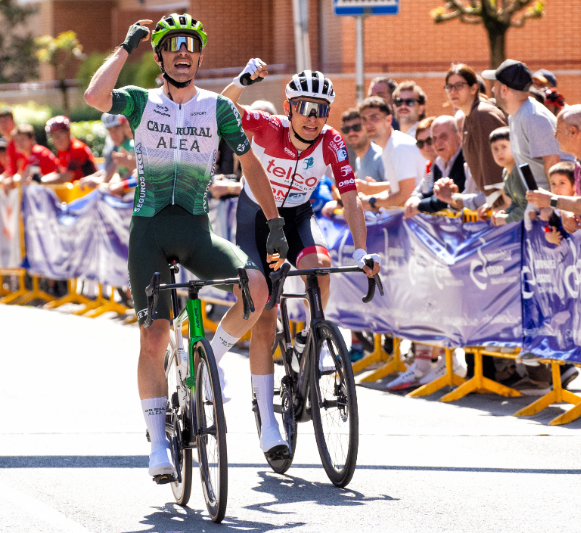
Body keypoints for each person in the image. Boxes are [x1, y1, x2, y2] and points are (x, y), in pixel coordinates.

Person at [84, 14, 291, 480]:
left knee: (257, 290)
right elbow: (95, 98)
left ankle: (211, 356)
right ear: (159, 56)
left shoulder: (218, 108)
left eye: (190, 47)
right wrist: (123, 47)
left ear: (199, 56)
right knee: (154, 336)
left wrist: (275, 222)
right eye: (172, 46)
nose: (182, 53)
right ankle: (158, 443)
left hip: (196, 230)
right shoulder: (140, 103)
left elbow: (251, 166)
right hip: (150, 232)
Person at [222, 62, 381, 428]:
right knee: (263, 311)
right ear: (289, 107)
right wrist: (242, 81)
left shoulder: (332, 141)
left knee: (320, 267)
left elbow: (351, 197)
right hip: (256, 219)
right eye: (306, 108)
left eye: (322, 110)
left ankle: (314, 339)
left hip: (298, 217)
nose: (314, 118)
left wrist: (361, 250)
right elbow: (220, 108)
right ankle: (264, 411)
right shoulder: (268, 126)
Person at [483, 59, 572, 191]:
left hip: (559, 203)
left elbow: (552, 162)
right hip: (540, 201)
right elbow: (525, 165)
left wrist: (550, 204)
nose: (492, 89)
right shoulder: (517, 115)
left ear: (504, 90)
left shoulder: (533, 117)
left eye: (495, 85)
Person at [445, 64, 508, 209]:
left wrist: (498, 205)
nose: (453, 91)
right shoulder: (470, 116)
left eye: (459, 85)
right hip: (494, 203)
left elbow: (497, 166)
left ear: (474, 88)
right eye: (449, 87)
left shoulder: (482, 115)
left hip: (506, 206)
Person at [358, 97, 426, 211]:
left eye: (374, 117)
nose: (368, 123)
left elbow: (405, 195)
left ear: (389, 120)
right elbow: (394, 191)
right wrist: (369, 199)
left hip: (422, 223)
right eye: (364, 119)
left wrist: (372, 202)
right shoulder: (389, 146)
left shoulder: (399, 146)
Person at [527, 104, 581, 221]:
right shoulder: (578, 161)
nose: (555, 136)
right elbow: (580, 198)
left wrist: (551, 201)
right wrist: (568, 211)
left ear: (573, 132)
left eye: (558, 131)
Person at [406, 115, 470, 216]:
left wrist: (419, 206)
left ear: (458, 137)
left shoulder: (465, 161)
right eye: (434, 138)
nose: (437, 143)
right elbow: (433, 193)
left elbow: (444, 200)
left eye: (443, 136)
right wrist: (416, 198)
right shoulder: (438, 163)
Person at [483, 127, 527, 226]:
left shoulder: (520, 170)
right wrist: (506, 212)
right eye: (495, 149)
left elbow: (528, 204)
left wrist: (507, 218)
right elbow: (516, 203)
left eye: (504, 146)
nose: (499, 152)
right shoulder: (505, 173)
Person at [41, 116, 97, 184]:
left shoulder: (77, 148)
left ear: (69, 132)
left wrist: (42, 181)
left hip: (88, 190)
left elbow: (68, 176)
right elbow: (58, 173)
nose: (57, 138)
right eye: (53, 135)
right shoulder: (61, 150)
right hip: (75, 191)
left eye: (61, 133)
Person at [341, 108, 385, 185]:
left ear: (367, 128)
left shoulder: (381, 157)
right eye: (346, 129)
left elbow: (397, 189)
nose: (351, 133)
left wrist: (373, 188)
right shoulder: (358, 160)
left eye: (356, 127)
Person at [404, 117, 437, 219]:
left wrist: (419, 204)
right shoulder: (430, 165)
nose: (426, 146)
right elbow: (420, 189)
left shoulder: (445, 163)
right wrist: (415, 198)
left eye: (429, 140)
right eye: (420, 143)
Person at [9, 123, 59, 187]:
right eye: (17, 140)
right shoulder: (27, 156)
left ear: (32, 139)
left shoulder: (38, 152)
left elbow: (24, 178)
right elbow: (21, 175)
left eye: (22, 139)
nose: (19, 143)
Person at [542, 162, 577, 245]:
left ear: (574, 186)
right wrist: (550, 236)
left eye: (562, 183)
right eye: (553, 184)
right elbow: (549, 227)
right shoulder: (555, 208)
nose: (556, 188)